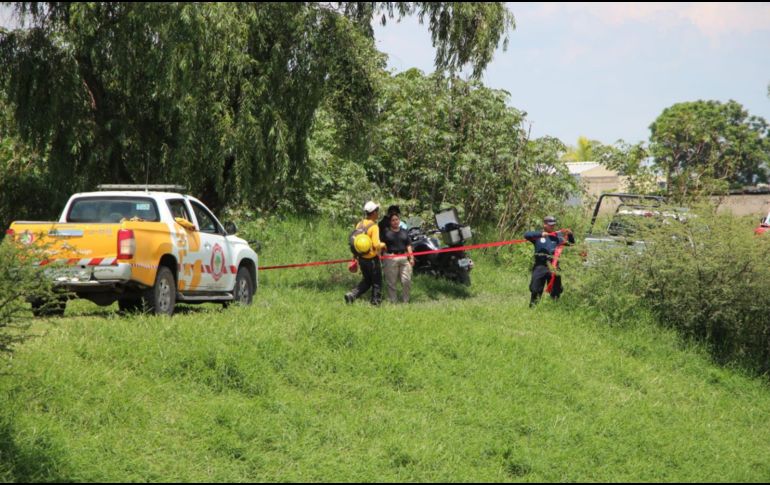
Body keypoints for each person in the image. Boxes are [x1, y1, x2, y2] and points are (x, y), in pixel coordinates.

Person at [524, 215, 575, 307]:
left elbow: (571, 243)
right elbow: (526, 235)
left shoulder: (557, 236)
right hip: (540, 266)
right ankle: (533, 308)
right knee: (535, 289)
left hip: (554, 266)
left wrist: (570, 234)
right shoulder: (538, 236)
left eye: (553, 225)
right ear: (544, 225)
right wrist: (541, 234)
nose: (552, 226)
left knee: (556, 291)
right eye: (550, 224)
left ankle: (553, 308)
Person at [345, 201, 387, 305]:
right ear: (373, 213)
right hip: (372, 260)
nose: (378, 213)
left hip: (362, 258)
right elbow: (376, 244)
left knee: (367, 281)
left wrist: (354, 257)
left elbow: (356, 242)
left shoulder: (360, 224)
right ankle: (375, 302)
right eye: (377, 211)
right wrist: (384, 245)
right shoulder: (374, 227)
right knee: (377, 282)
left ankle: (352, 295)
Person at [382, 213, 415, 303]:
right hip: (390, 258)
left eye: (397, 219)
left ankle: (406, 301)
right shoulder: (386, 232)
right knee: (391, 282)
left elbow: (408, 245)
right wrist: (382, 256)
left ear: (399, 220)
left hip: (404, 257)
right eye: (393, 220)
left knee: (406, 280)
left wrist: (411, 258)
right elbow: (381, 245)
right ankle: (393, 301)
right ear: (390, 222)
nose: (395, 222)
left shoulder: (404, 231)